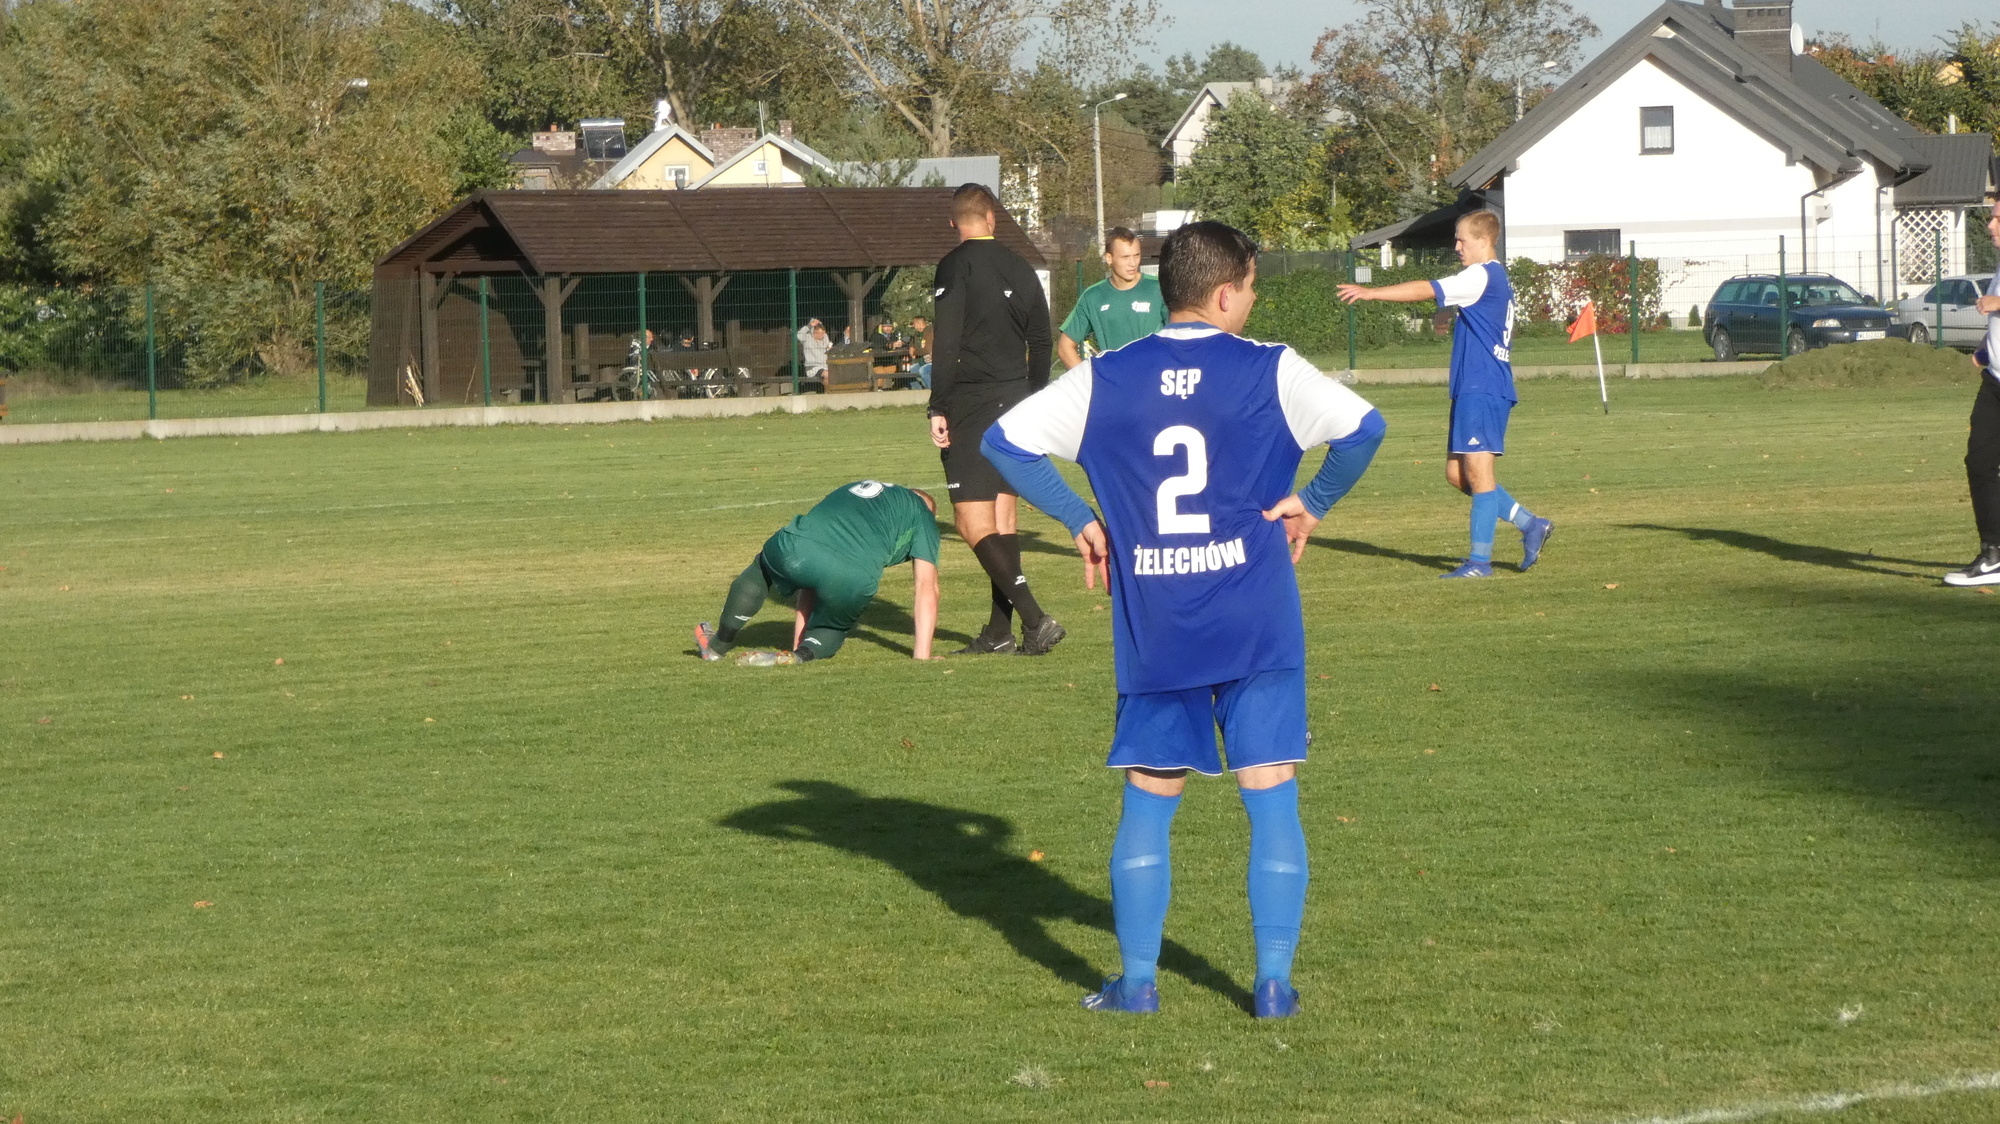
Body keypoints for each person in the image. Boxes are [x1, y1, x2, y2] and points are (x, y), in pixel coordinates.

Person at [981, 220, 1387, 1018]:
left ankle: (1137, 984)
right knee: (1270, 790)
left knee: (1149, 796)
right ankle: (1272, 986)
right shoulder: (1271, 367)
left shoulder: (1105, 376)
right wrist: (1313, 501)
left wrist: (1080, 519)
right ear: (1226, 293)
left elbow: (1004, 442)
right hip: (1256, 614)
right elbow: (1364, 429)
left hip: (1160, 621)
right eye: (1253, 287)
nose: (1253, 301)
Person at [1337, 210, 1554, 578]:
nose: (1457, 247)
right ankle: (1530, 524)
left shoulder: (1480, 275)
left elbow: (1427, 288)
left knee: (1479, 474)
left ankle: (1479, 563)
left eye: (1462, 240)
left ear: (1483, 241)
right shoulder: (1495, 276)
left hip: (1483, 387)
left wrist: (1371, 293)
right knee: (1457, 474)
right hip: (1474, 387)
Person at [928, 182, 1061, 655]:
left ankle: (1035, 618)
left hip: (972, 403)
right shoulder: (1019, 264)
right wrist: (1034, 399)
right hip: (1018, 402)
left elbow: (945, 343)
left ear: (954, 224)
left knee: (970, 522)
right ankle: (1000, 631)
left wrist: (938, 405)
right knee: (1003, 518)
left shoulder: (953, 265)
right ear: (991, 218)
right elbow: (1042, 340)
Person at [695, 481, 941, 664]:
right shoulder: (922, 514)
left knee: (760, 572)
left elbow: (813, 570)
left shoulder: (856, 488)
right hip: (853, 576)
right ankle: (801, 656)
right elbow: (926, 587)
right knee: (832, 627)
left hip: (793, 547)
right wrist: (922, 656)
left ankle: (718, 646)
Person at [1945, 196, 2000, 587]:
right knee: (1979, 462)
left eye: (1998, 219)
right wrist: (1984, 351)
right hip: (1995, 383)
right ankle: (1993, 555)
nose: (1991, 225)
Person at [1057, 226, 1167, 369]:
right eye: (1125, 257)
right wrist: (1088, 379)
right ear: (1109, 258)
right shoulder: (1093, 296)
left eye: (1136, 255)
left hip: (1153, 377)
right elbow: (1065, 348)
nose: (1133, 263)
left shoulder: (1159, 289)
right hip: (1113, 380)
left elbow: (1182, 334)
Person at [796, 318, 831, 383]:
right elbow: (799, 336)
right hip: (813, 367)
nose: (823, 335)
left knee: (833, 376)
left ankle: (829, 389)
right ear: (814, 333)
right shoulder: (807, 338)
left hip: (826, 366)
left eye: (823, 333)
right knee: (828, 375)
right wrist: (810, 325)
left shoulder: (825, 337)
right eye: (820, 333)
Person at [908, 315, 934, 389]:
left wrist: (915, 352)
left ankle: (932, 390)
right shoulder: (918, 334)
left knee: (923, 371)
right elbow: (913, 341)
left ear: (918, 324)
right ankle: (919, 390)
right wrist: (911, 346)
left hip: (934, 361)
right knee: (912, 369)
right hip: (925, 361)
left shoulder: (929, 332)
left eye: (914, 324)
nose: (914, 326)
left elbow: (927, 349)